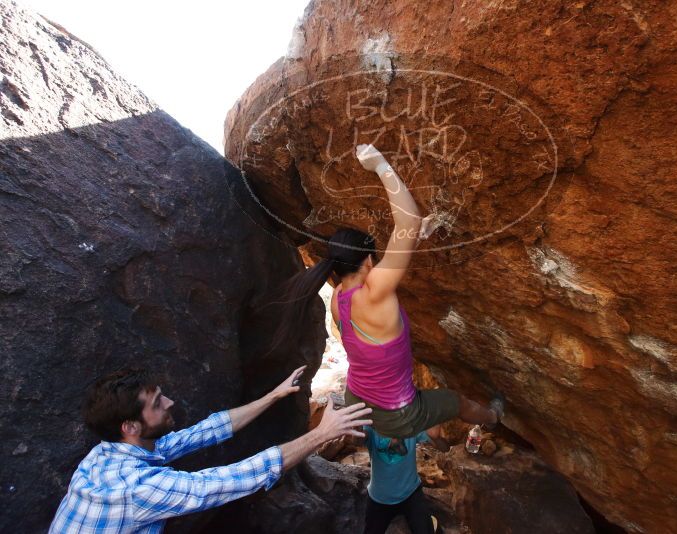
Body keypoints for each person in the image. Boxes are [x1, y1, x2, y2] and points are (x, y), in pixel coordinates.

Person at [271, 144, 503, 451]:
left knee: (410, 391)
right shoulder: (376, 290)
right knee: (455, 402)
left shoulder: (339, 297)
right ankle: (493, 418)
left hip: (359, 398)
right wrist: (381, 165)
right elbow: (409, 222)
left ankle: (416, 441)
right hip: (397, 412)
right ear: (369, 262)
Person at [49, 365, 372, 533]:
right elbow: (227, 481)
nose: (170, 402)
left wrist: (272, 396)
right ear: (130, 427)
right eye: (158, 402)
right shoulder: (135, 489)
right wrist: (322, 434)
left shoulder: (108, 453)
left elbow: (205, 432)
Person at [361, 425, 450, 534]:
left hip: (411, 493)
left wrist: (436, 438)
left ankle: (430, 522)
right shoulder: (372, 426)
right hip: (379, 498)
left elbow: (445, 448)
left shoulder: (409, 424)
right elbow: (357, 439)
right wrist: (354, 429)